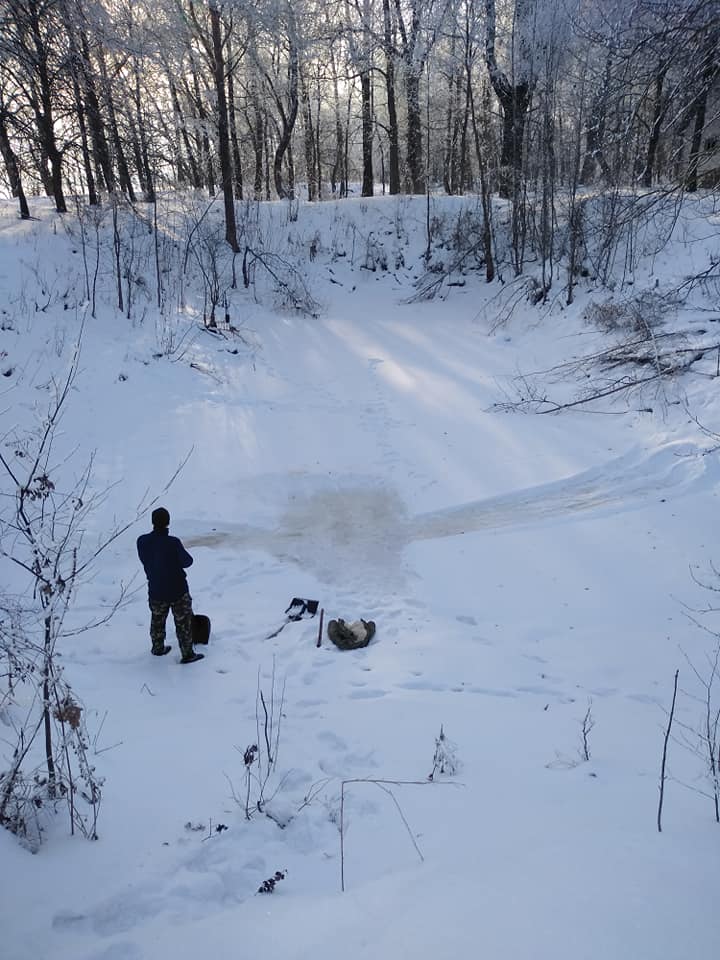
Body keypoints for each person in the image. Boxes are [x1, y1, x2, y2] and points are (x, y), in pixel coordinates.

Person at [136, 507, 204, 664]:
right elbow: (188, 562)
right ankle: (187, 654)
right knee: (183, 622)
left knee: (157, 619)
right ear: (168, 522)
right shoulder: (172, 542)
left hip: (155, 589)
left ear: (153, 522)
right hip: (177, 590)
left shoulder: (142, 541)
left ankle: (157, 648)